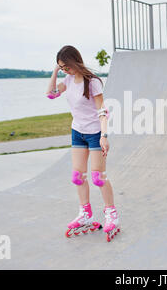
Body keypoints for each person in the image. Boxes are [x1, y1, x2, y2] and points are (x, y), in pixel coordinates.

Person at [46, 45, 119, 242]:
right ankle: (85, 213)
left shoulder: (92, 82)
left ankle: (112, 215)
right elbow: (51, 94)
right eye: (61, 67)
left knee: (98, 177)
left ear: (73, 61)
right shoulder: (68, 80)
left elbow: (102, 111)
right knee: (78, 176)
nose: (64, 70)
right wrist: (55, 71)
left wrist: (104, 135)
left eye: (65, 66)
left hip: (95, 133)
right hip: (78, 132)